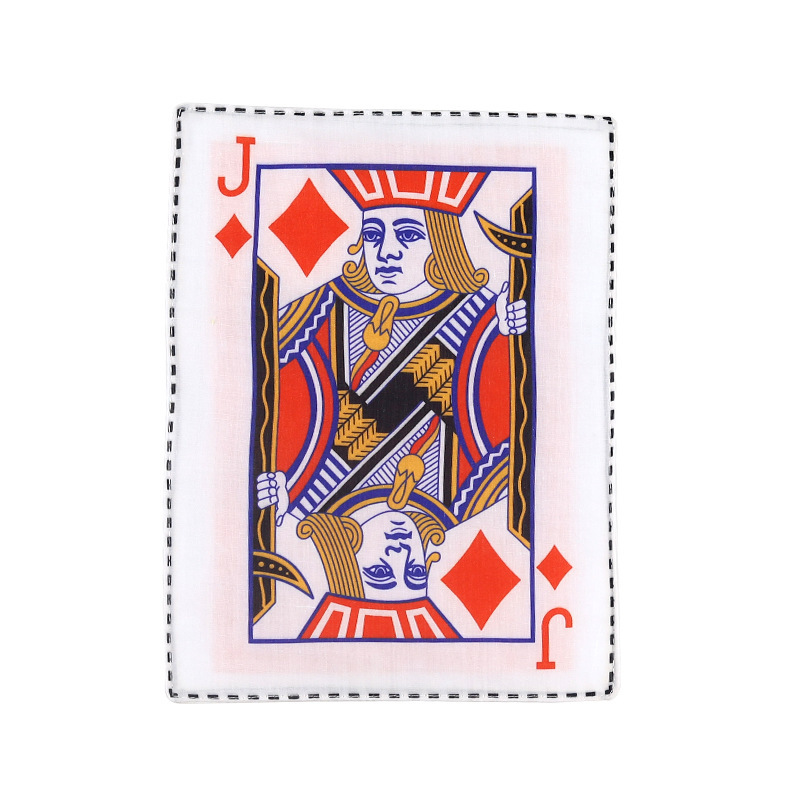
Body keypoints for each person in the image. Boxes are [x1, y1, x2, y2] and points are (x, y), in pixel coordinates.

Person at [257, 167, 527, 537]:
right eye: (372, 235)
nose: (386, 252)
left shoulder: (482, 317)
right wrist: (286, 493)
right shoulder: (317, 311)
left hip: (436, 527)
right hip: (328, 533)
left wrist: (508, 343)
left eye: (408, 235)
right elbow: (275, 391)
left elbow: (502, 444)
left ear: (442, 241)